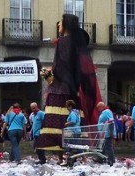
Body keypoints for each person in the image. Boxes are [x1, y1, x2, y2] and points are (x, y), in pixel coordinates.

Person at [36, 14, 87, 164]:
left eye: (60, 24)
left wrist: (49, 74)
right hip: (72, 90)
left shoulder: (64, 41)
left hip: (60, 89)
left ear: (65, 25)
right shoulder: (76, 43)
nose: (58, 26)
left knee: (55, 123)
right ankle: (70, 156)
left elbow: (61, 66)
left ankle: (63, 155)